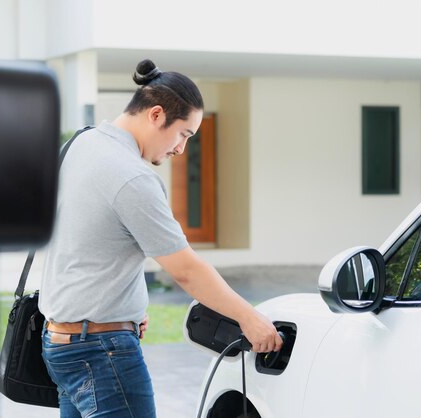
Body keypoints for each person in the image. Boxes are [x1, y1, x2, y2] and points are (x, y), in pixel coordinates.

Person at [39, 59, 282, 418]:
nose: (181, 149)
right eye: (184, 134)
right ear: (156, 115)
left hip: (59, 344)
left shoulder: (79, 145)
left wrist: (127, 304)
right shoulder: (132, 176)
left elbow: (84, 240)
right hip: (101, 351)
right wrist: (249, 318)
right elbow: (185, 270)